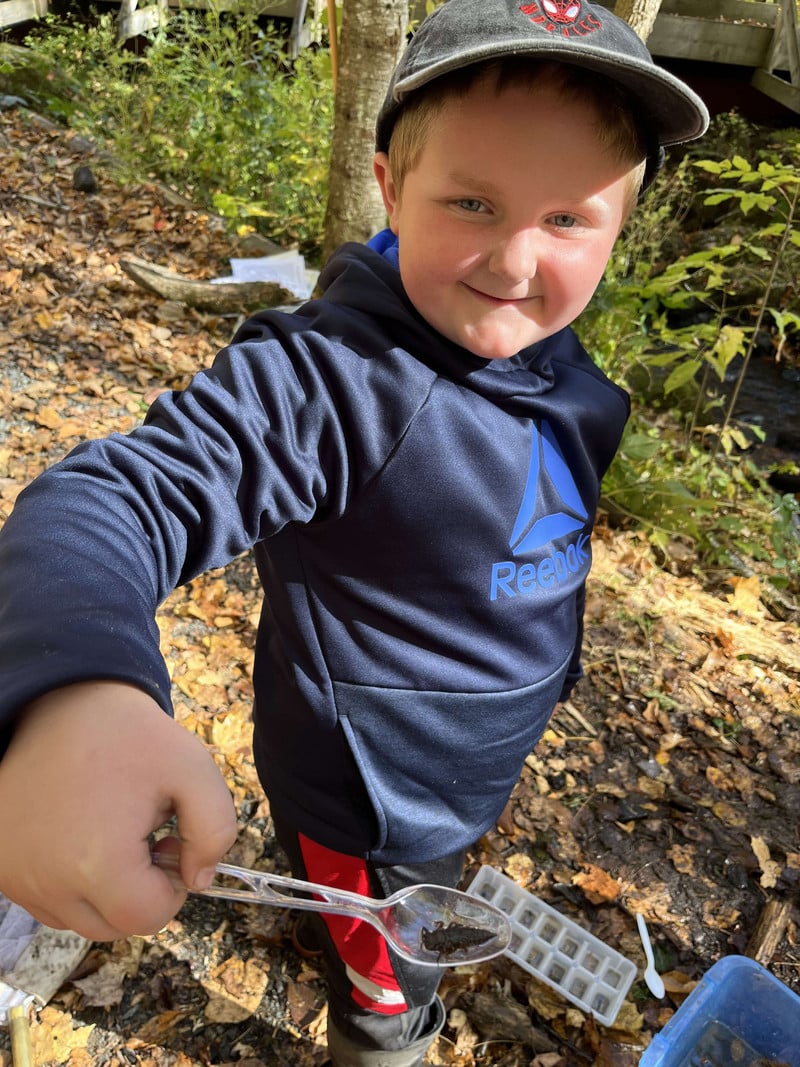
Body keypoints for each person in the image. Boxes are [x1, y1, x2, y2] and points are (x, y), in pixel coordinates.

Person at [0, 1, 708, 1063]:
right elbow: (114, 498)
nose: (515, 263)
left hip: (467, 772)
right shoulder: (333, 385)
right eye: (471, 201)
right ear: (389, 186)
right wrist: (69, 691)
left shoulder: (568, 375)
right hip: (365, 800)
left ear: (621, 222)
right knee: (385, 977)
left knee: (420, 896)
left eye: (567, 219)